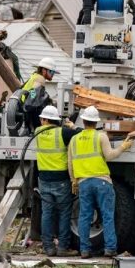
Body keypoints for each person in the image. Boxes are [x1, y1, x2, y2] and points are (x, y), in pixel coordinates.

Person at [68, 106, 133, 258]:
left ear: (83, 121)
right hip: (102, 182)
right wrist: (123, 146)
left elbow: (70, 163)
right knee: (108, 215)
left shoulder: (74, 139)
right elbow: (110, 156)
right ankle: (110, 249)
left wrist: (73, 181)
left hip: (83, 182)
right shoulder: (101, 136)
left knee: (84, 216)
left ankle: (84, 250)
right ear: (96, 122)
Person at [35, 105, 82, 257]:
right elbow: (80, 134)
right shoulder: (63, 132)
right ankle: (62, 248)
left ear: (45, 119)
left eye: (42, 118)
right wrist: (72, 126)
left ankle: (48, 247)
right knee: (64, 214)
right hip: (61, 179)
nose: (41, 121)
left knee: (47, 213)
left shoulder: (37, 132)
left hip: (44, 179)